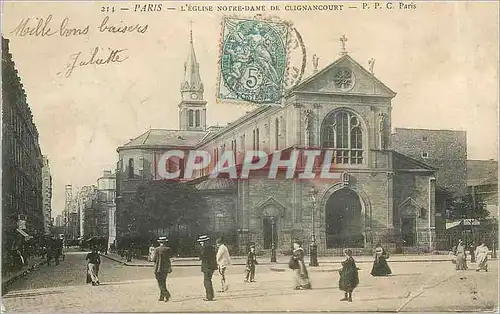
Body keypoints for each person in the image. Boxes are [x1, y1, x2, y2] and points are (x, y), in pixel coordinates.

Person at [152, 237, 173, 302]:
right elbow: (169, 259)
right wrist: (170, 267)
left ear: (159, 242)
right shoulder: (168, 249)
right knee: (163, 282)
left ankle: (167, 294)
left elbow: (153, 259)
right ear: (165, 242)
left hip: (158, 268)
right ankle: (162, 297)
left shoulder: (156, 249)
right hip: (165, 268)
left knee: (160, 283)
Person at [198, 235, 217, 301]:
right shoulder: (212, 247)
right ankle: (210, 295)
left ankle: (209, 296)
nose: (200, 243)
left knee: (206, 281)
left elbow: (201, 257)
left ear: (204, 242)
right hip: (212, 266)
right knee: (209, 280)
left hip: (207, 266)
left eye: (201, 242)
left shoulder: (204, 248)